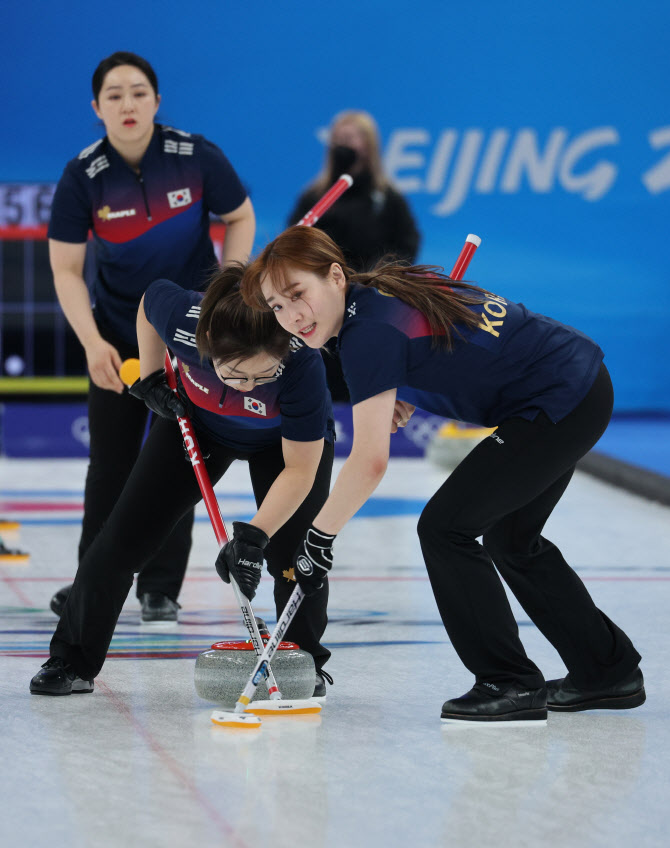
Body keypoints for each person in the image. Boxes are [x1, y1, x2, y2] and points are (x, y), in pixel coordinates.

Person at [240, 225, 645, 725]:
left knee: (445, 527)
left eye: (298, 294)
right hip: (574, 383)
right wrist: (411, 383)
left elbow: (369, 461)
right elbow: (448, 347)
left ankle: (509, 683)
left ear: (336, 277)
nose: (292, 316)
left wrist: (318, 538)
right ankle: (608, 671)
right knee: (511, 538)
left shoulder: (368, 334)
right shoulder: (378, 297)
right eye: (276, 307)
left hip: (557, 398)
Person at [29, 264, 335, 697]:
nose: (248, 387)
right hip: (201, 425)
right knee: (121, 538)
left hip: (282, 446)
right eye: (235, 375)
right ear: (207, 345)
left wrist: (252, 537)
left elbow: (300, 470)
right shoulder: (185, 321)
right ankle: (70, 659)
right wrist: (153, 374)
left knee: (293, 557)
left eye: (261, 376)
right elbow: (149, 298)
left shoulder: (301, 363)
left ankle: (305, 662)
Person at [47, 51, 255, 623]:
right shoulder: (81, 176)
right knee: (110, 463)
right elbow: (66, 269)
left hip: (187, 332)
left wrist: (225, 288)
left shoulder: (197, 156)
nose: (127, 104)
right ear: (97, 109)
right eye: (114, 95)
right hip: (116, 334)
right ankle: (92, 582)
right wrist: (92, 342)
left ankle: (160, 587)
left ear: (157, 101)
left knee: (176, 453)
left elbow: (240, 216)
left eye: (138, 92)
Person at [287, 110, 421, 401]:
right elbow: (293, 241)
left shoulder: (386, 198)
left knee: (365, 368)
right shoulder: (315, 197)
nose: (344, 144)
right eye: (338, 139)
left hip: (368, 297)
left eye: (351, 138)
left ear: (369, 145)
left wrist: (377, 280)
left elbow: (407, 246)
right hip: (320, 301)